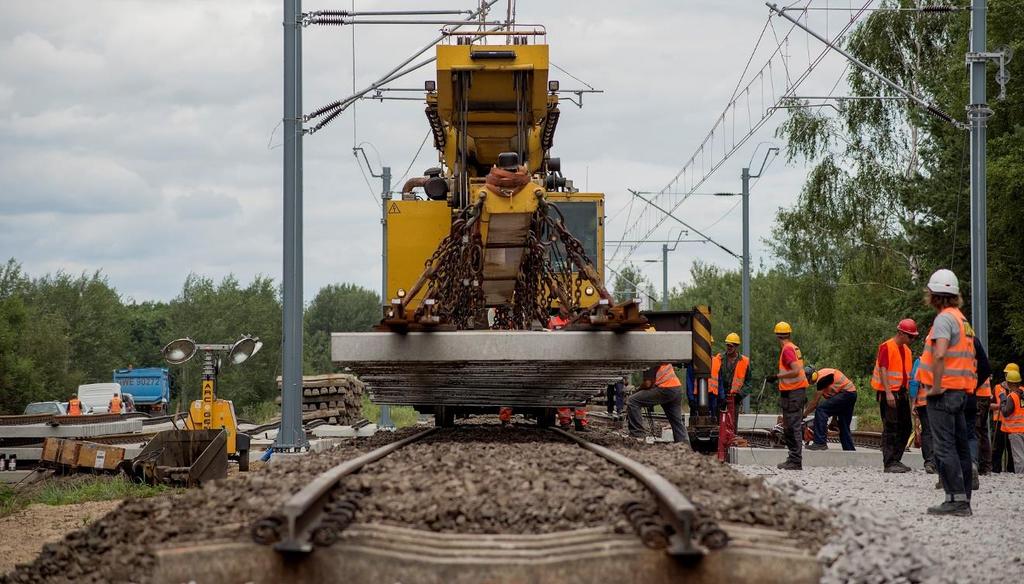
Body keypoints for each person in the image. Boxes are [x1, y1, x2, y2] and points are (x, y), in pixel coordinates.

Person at [916, 269, 976, 517]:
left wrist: (936, 386)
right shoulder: (962, 320)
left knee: (943, 447)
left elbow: (940, 353)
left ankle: (955, 501)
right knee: (961, 446)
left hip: (944, 392)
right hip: (961, 391)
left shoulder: (943, 320)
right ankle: (964, 499)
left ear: (935, 295)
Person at [871, 318, 917, 473]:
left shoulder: (907, 351)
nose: (912, 340)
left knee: (906, 426)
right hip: (889, 394)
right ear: (901, 333)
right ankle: (889, 462)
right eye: (910, 336)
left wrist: (912, 400)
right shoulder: (886, 347)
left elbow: (907, 377)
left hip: (902, 393)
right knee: (891, 427)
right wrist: (888, 392)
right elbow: (883, 369)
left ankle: (896, 460)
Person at [765, 321, 809, 470]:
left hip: (794, 393)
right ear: (789, 334)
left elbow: (796, 370)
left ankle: (795, 460)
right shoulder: (793, 347)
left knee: (792, 427)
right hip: (794, 392)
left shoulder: (787, 349)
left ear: (777, 336)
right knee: (790, 426)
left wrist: (777, 376)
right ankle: (793, 458)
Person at [626, 361, 689, 445]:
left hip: (664, 389)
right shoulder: (660, 356)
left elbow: (648, 384)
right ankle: (683, 444)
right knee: (676, 421)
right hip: (676, 388)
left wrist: (637, 390)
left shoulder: (649, 360)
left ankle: (638, 435)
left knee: (632, 401)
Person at [547, 308, 588, 430]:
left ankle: (580, 422)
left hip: (575, 360)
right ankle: (565, 421)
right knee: (562, 393)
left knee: (580, 394)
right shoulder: (553, 321)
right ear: (559, 307)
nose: (566, 310)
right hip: (560, 360)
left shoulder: (574, 320)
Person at [804, 367, 857, 451]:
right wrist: (834, 419)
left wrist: (804, 414)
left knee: (821, 410)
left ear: (813, 375)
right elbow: (834, 399)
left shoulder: (822, 379)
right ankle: (849, 451)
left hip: (846, 394)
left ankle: (820, 443)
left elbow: (814, 403)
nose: (808, 382)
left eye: (808, 379)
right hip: (851, 394)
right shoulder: (824, 375)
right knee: (843, 425)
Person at [709, 332, 751, 434]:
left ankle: (730, 442)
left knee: (732, 424)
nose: (729, 347)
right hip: (719, 397)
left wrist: (740, 395)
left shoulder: (744, 361)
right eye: (728, 345)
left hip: (734, 398)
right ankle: (719, 443)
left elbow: (748, 383)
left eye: (731, 345)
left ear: (736, 346)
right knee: (718, 423)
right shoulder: (719, 358)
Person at [909, 357, 936, 473]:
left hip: (924, 402)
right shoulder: (946, 358)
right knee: (941, 432)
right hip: (941, 402)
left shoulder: (920, 361)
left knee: (927, 431)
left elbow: (914, 383)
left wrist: (913, 402)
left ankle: (929, 462)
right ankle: (940, 462)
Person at [992, 364, 1019, 473]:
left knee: (1012, 450)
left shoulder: (1020, 390)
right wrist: (1001, 406)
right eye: (1006, 373)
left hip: (1014, 425)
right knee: (997, 449)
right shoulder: (998, 388)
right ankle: (995, 470)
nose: (1006, 375)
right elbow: (989, 404)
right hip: (999, 422)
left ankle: (1012, 471)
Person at [996, 369, 1023, 473]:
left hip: (1016, 431)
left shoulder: (1012, 396)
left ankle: (1020, 478)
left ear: (1010, 383)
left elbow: (1005, 412)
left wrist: (1003, 399)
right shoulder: (1023, 392)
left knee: (1019, 457)